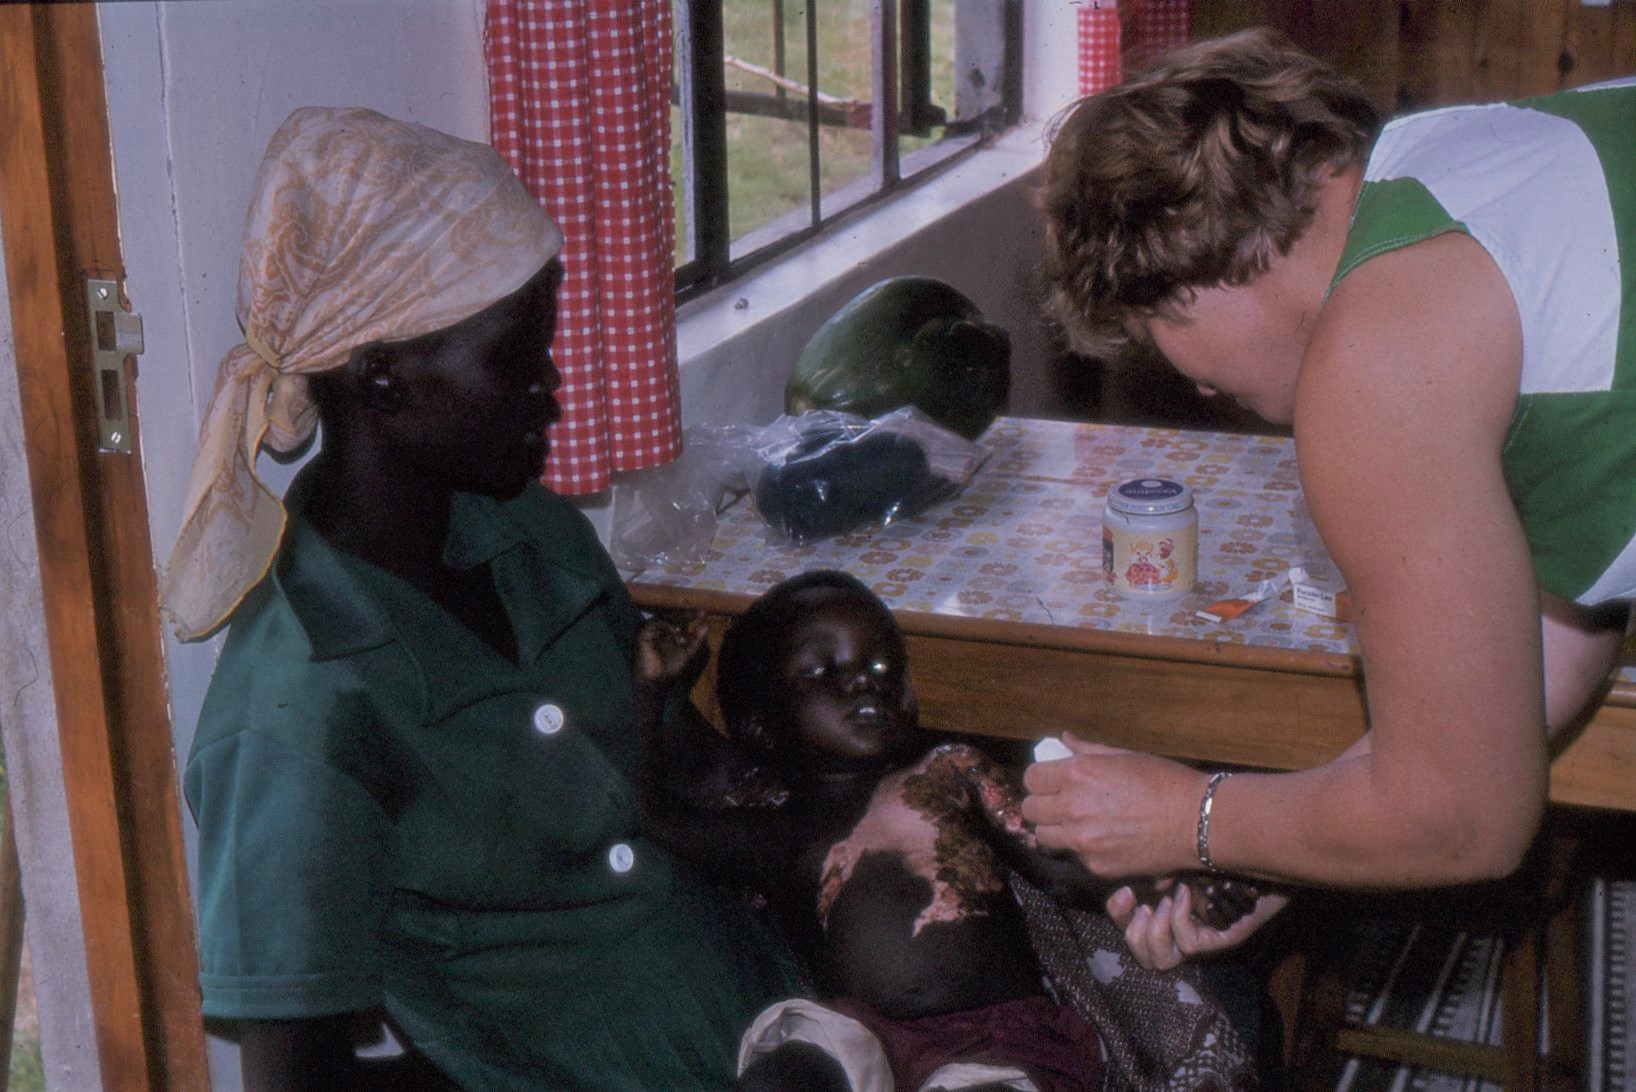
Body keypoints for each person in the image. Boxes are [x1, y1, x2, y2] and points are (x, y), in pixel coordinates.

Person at [166, 106, 801, 1091]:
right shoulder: (298, 714)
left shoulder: (530, 534)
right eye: (515, 352)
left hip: (789, 1021)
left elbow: (675, 770)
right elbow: (298, 1078)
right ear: (382, 378)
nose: (553, 383)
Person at [1027, 26, 1636, 970]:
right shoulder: (1452, 160)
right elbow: (1550, 640)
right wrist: (1268, 842)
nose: (1193, 382)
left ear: (1185, 278)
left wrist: (1188, 818)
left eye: (1152, 331)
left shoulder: (1372, 363)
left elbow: (1467, 821)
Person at [634, 570, 1260, 1091]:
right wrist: (650, 693)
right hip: (856, 1038)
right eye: (822, 672)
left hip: (998, 1042)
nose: (865, 680)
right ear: (761, 728)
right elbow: (654, 819)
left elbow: (1064, 867)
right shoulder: (774, 833)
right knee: (782, 1076)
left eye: (883, 663)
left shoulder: (949, 772)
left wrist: (1176, 893)